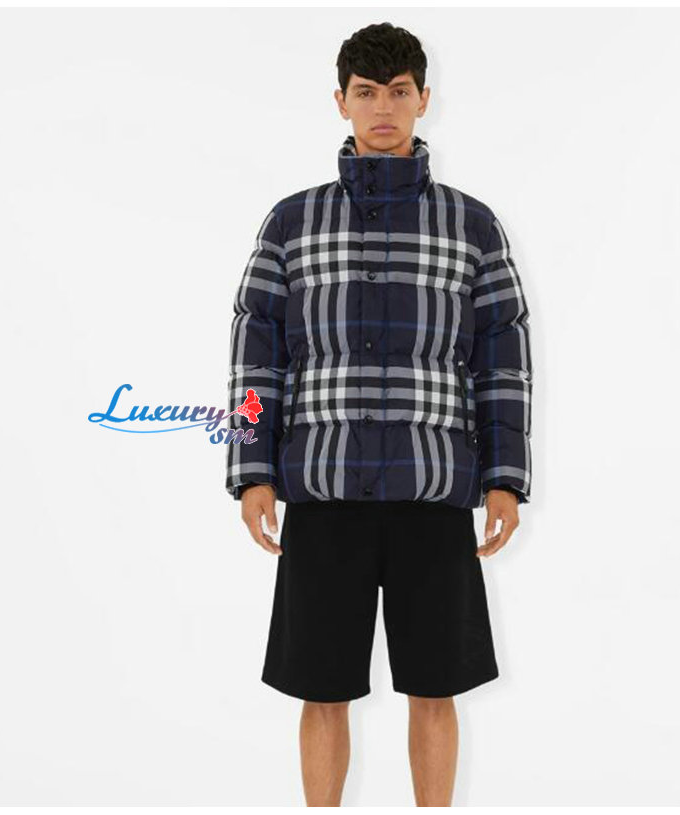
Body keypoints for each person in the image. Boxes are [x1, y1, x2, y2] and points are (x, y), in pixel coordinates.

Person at [225, 22, 533, 807]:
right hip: (324, 491)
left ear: (424, 98)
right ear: (341, 102)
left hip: (434, 491)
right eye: (367, 93)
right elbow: (256, 356)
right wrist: (251, 470)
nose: (383, 108)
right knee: (320, 687)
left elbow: (502, 359)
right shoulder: (292, 224)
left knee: (437, 685)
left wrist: (505, 477)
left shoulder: (472, 227)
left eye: (398, 91)